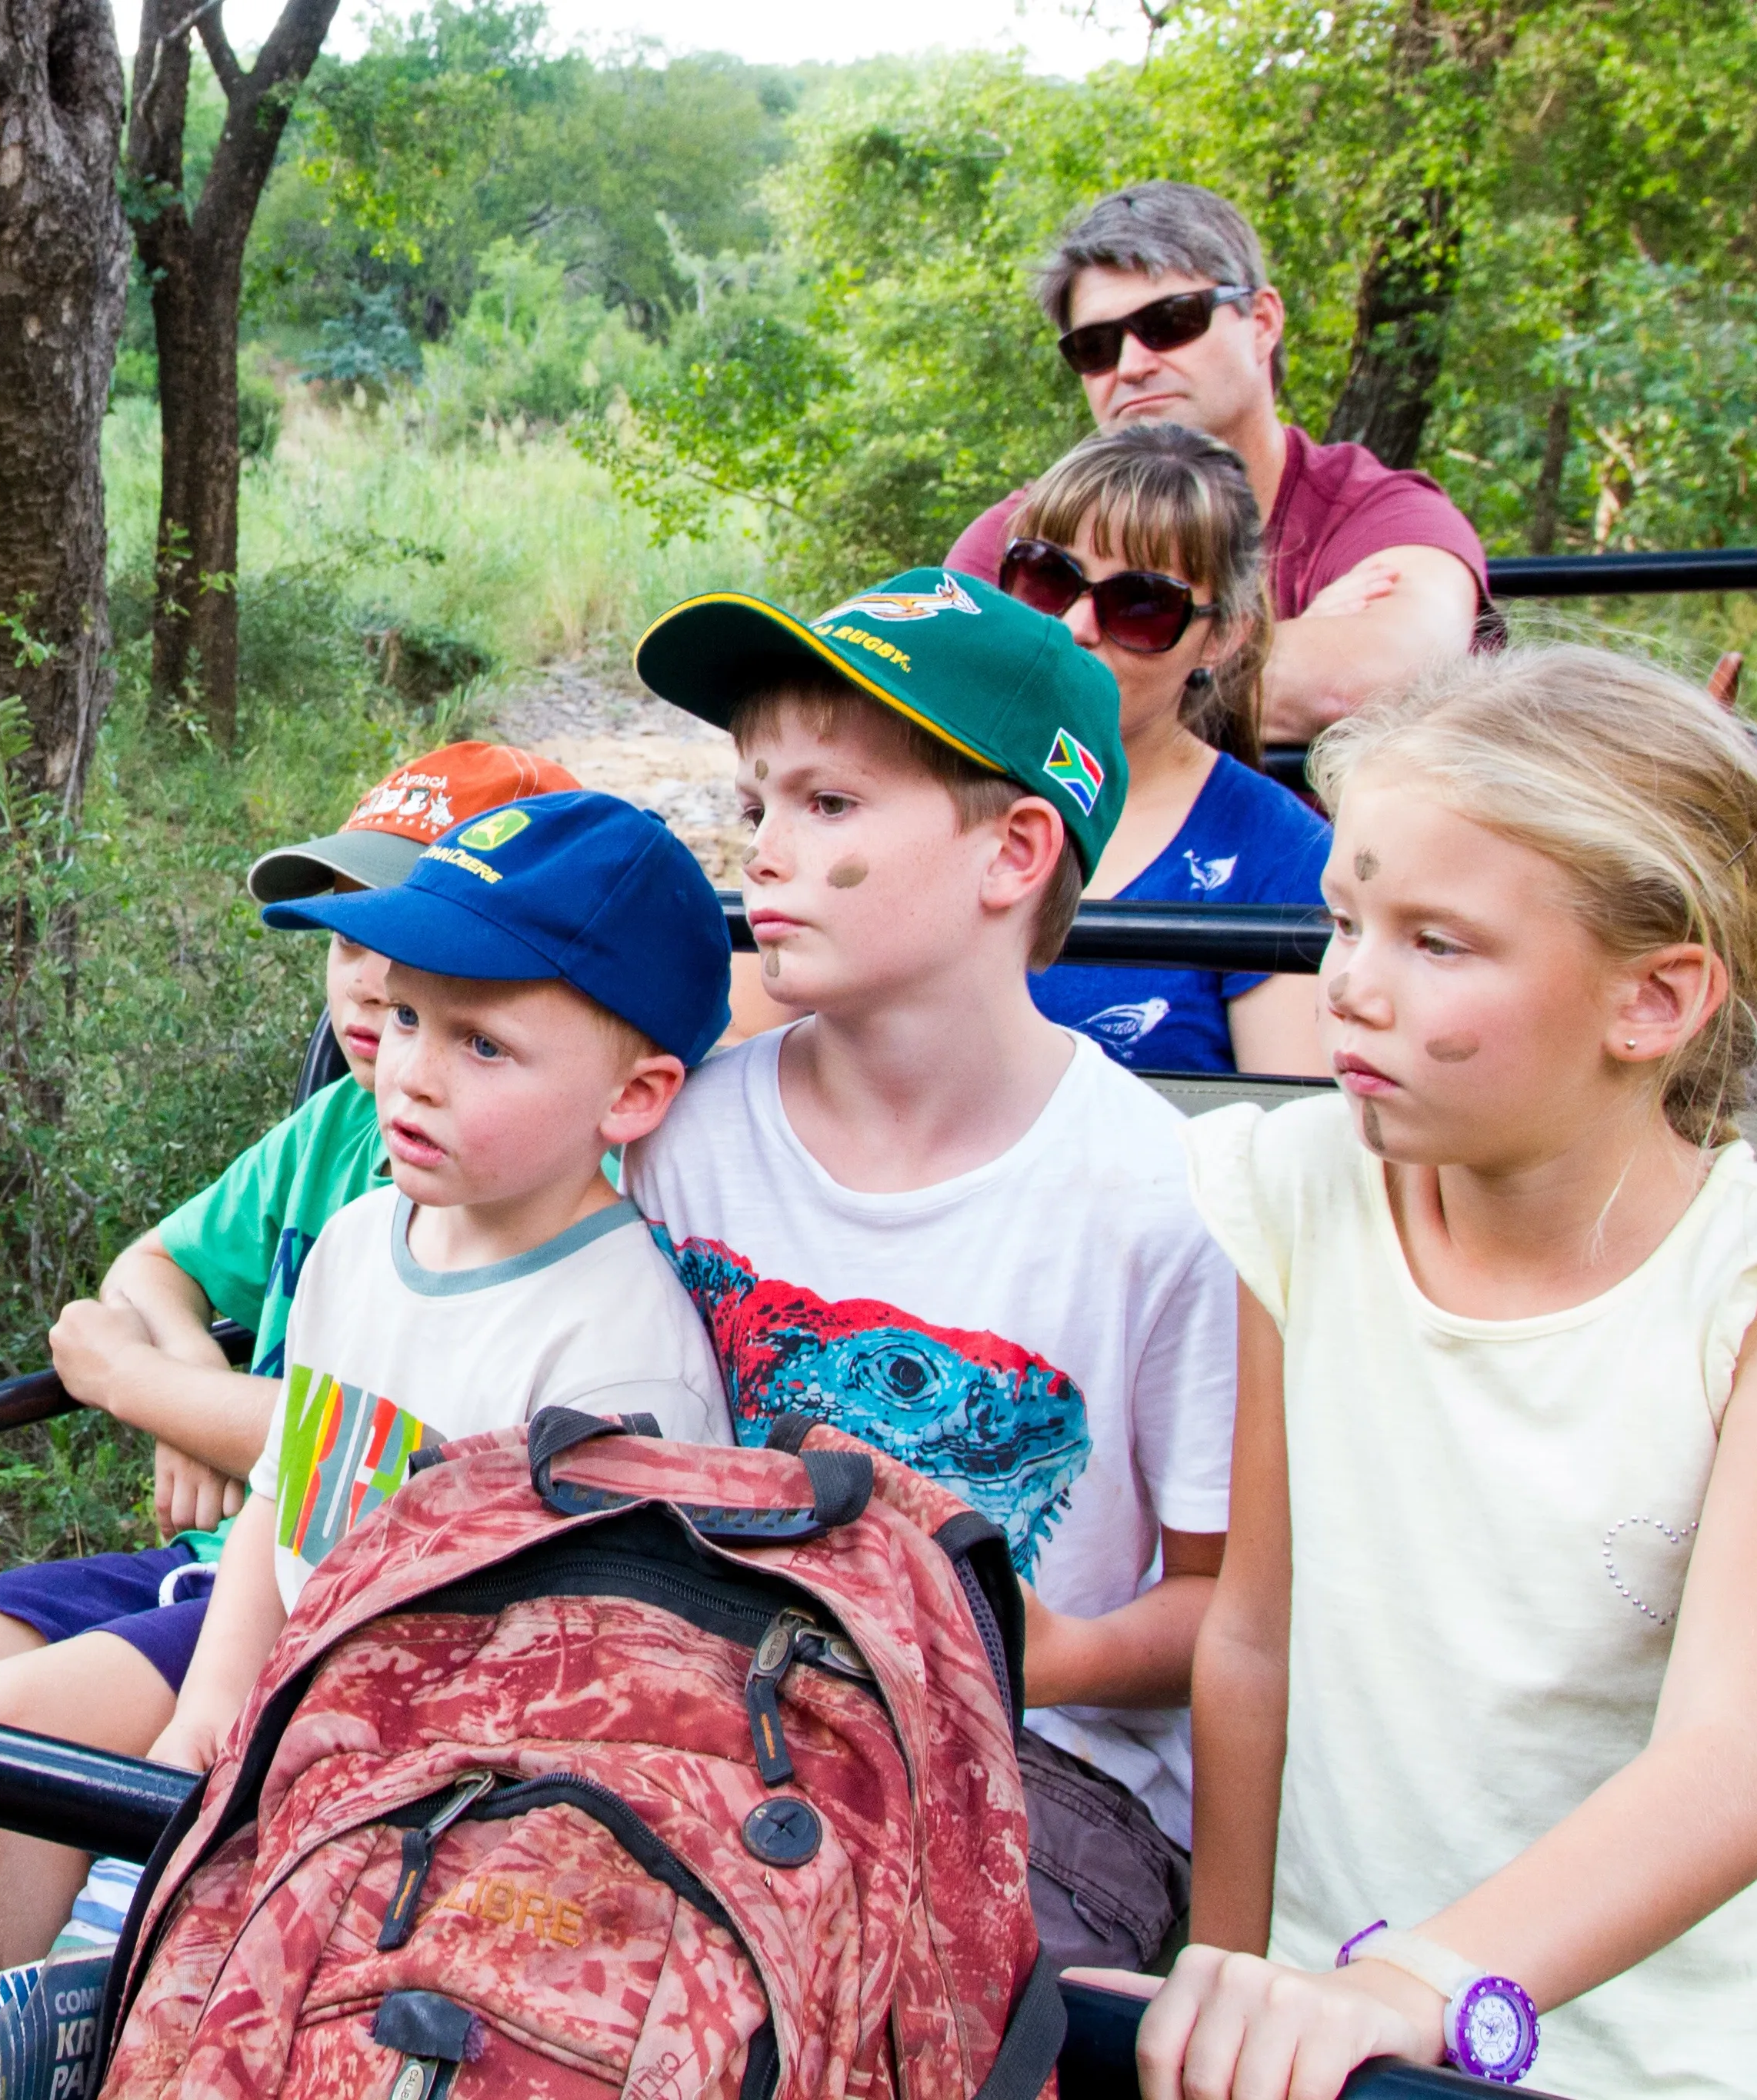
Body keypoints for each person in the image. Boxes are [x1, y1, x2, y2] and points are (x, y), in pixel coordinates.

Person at [1135, 646, 1757, 2100]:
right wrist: (1239, 1975)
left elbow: (1729, 1763)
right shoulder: (1295, 1192)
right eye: (1342, 922)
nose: (1348, 990)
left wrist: (1416, 1982)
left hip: (1702, 2058)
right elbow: (1253, 1635)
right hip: (1344, 2023)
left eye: (1432, 944)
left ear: (1651, 1001)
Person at [0, 742, 578, 1954]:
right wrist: (198, 1390)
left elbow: (405, 1458)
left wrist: (136, 1381)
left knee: (5, 1731)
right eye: (352, 942)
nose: (368, 990)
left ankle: (18, 2050)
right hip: (225, 1553)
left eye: (417, 963)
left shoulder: (534, 1177)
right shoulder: (334, 1127)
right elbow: (147, 1268)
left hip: (344, 1592)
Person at [623, 569, 1242, 1975]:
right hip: (704, 1713)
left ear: (1013, 851)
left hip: (1033, 1775)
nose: (763, 853)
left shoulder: (1163, 1205)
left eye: (826, 805)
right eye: (754, 805)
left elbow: (1224, 1610)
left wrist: (989, 1643)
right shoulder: (688, 1140)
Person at [151, 789, 738, 1787]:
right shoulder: (353, 1244)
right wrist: (211, 1707)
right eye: (411, 1015)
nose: (411, 1073)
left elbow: (586, 1692)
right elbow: (282, 1500)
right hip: (283, 1731)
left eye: (483, 1044)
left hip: (448, 1810)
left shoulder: (620, 1362)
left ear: (632, 1096)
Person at [945, 181, 1491, 744]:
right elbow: (938, 693)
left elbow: (1372, 682)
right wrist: (1270, 649)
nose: (1131, 364)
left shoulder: (1382, 517)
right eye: (1096, 346)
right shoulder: (1020, 539)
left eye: (1170, 323)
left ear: (1262, 323)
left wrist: (1050, 679)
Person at [997, 423, 1332, 1076]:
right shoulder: (923, 773)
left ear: (1222, 638)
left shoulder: (1280, 856)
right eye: (1046, 578)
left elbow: (1283, 1130)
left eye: (1141, 604)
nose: (1076, 626)